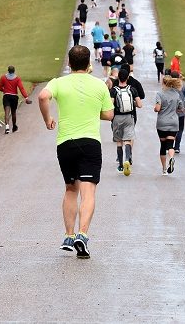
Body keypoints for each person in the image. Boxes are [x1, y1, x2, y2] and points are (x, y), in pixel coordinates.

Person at [38, 45, 114, 258]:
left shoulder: (59, 82)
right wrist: (92, 110)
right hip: (90, 142)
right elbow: (109, 115)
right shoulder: (99, 85)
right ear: (89, 63)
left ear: (69, 63)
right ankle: (83, 234)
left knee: (71, 189)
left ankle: (69, 235)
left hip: (66, 143)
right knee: (88, 191)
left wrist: (48, 119)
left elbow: (43, 97)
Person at [109, 63, 145, 176]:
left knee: (119, 142)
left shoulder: (114, 90)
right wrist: (132, 102)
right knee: (128, 140)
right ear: (128, 77)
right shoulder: (133, 89)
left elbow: (111, 105)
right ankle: (127, 158)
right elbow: (140, 105)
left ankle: (120, 165)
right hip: (130, 116)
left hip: (117, 117)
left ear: (118, 77)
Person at [154, 75, 184, 175]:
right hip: (174, 122)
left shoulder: (160, 94)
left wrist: (155, 109)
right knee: (170, 144)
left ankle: (164, 169)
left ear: (163, 83)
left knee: (163, 146)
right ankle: (171, 158)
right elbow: (181, 107)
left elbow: (157, 108)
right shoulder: (176, 94)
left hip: (162, 122)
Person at [0, 65, 30, 134]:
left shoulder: (3, 77)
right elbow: (21, 88)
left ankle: (7, 127)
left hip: (6, 96)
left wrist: (4, 90)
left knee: (6, 112)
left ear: (8, 70)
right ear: (14, 71)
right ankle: (14, 126)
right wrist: (26, 97)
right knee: (13, 112)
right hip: (14, 97)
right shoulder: (17, 79)